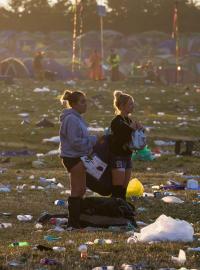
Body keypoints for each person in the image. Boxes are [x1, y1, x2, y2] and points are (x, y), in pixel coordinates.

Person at [59, 90, 97, 229]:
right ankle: (73, 223)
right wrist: (93, 141)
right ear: (73, 104)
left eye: (86, 101)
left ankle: (78, 220)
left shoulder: (77, 118)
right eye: (82, 102)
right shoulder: (71, 119)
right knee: (76, 189)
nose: (85, 105)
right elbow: (75, 141)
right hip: (72, 157)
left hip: (79, 156)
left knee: (81, 189)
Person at [109, 90, 141, 200]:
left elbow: (131, 139)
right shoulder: (116, 121)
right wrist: (131, 129)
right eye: (130, 104)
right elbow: (119, 139)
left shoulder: (128, 120)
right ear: (122, 106)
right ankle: (114, 210)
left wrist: (139, 131)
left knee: (124, 187)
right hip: (118, 156)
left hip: (127, 156)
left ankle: (121, 209)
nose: (133, 106)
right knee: (117, 188)